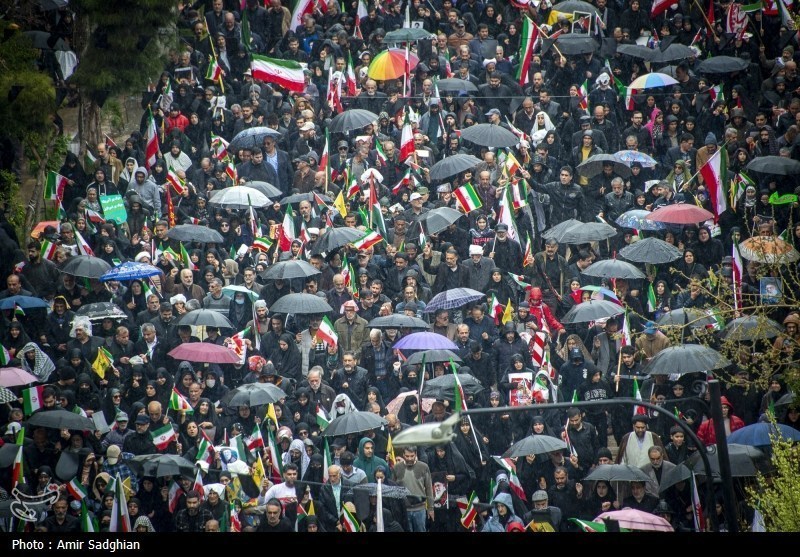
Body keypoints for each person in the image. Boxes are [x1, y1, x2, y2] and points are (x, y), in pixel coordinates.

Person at [393, 446, 434, 532]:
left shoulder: (424, 467)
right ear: (403, 455)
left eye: (412, 456)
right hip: (404, 510)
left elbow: (429, 488)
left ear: (416, 454)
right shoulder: (397, 468)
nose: (409, 458)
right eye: (407, 456)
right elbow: (392, 488)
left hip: (420, 509)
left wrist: (431, 508)